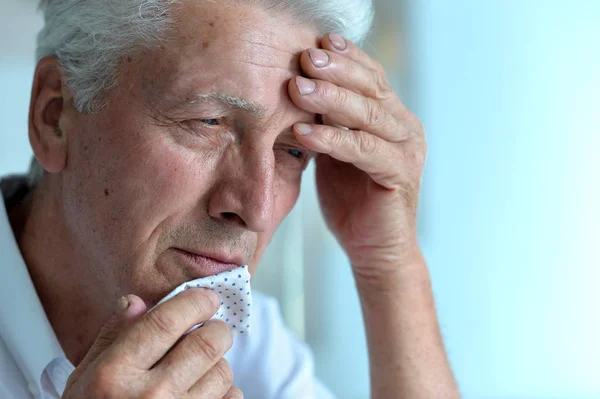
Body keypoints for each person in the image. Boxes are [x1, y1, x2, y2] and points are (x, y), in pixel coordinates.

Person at [0, 0, 460, 398]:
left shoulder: (251, 345)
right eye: (209, 122)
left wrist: (387, 263)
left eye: (293, 150)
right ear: (55, 115)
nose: (257, 209)